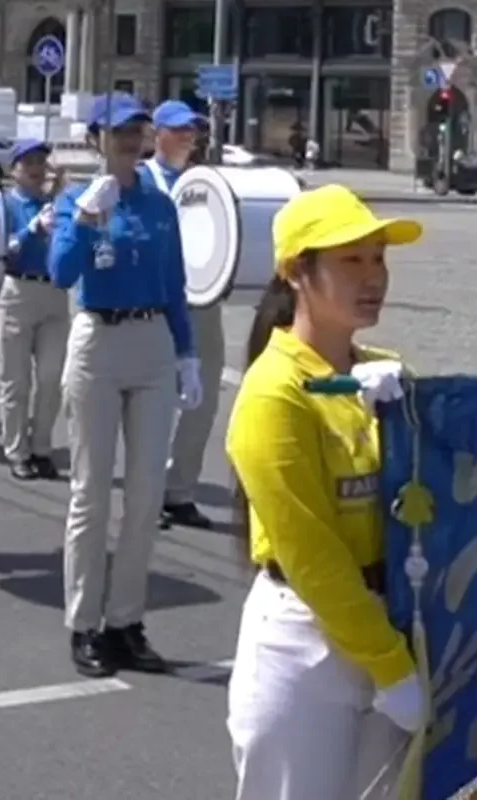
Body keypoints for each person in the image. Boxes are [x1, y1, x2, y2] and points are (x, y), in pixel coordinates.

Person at [225, 185, 426, 799]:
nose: (373, 278)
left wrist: (417, 415)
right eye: (351, 261)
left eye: (378, 259)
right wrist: (392, 668)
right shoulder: (272, 394)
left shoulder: (383, 375)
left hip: (389, 617)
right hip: (304, 642)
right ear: (296, 273)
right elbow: (313, 556)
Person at [50, 94, 204, 677]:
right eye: (115, 133)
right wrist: (87, 221)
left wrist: (186, 351)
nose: (127, 141)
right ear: (95, 140)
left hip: (151, 341)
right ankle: (84, 622)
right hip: (98, 342)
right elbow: (63, 272)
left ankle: (126, 620)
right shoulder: (77, 199)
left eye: (135, 132)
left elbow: (173, 282)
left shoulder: (158, 204)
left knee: (143, 497)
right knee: (90, 494)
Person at [148, 100, 222, 529]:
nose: (187, 137)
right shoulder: (144, 180)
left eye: (192, 130)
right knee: (158, 403)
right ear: (157, 134)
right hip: (158, 304)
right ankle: (149, 492)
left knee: (202, 401)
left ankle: (180, 492)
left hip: (200, 304)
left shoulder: (206, 182)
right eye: (178, 130)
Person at [0, 138, 70, 481]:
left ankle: (41, 446)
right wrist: (30, 230)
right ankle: (16, 449)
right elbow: (1, 250)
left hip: (53, 292)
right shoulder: (6, 206)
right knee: (16, 380)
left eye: (41, 162)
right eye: (29, 164)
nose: (37, 169)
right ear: (15, 171)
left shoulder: (55, 205)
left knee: (52, 378)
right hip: (16, 291)